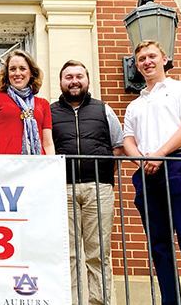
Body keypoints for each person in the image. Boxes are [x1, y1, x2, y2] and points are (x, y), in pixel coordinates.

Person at [124, 40, 181, 305]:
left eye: (152, 56)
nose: (147, 62)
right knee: (159, 246)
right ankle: (170, 301)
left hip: (177, 165)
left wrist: (160, 154)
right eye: (141, 59)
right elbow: (128, 140)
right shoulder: (134, 105)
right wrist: (143, 162)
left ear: (164, 59)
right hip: (147, 174)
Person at [51, 60, 124, 305]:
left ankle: (101, 302)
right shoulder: (49, 112)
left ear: (87, 80)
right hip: (63, 190)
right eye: (68, 76)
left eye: (79, 76)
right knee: (67, 253)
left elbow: (118, 146)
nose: (74, 81)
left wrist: (101, 172)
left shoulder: (104, 109)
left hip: (98, 188)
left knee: (99, 253)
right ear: (61, 82)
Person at [0, 50, 54, 155]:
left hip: (36, 165)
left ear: (31, 73)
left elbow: (48, 143)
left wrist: (51, 166)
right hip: (3, 162)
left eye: (23, 69)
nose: (17, 73)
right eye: (12, 69)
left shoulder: (43, 104)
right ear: (7, 73)